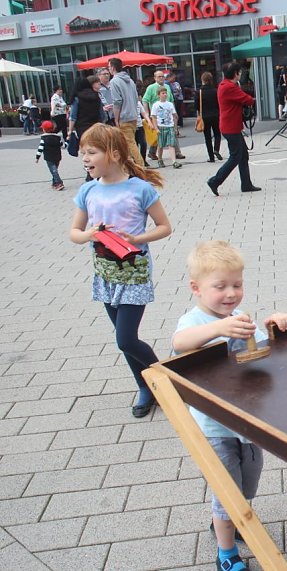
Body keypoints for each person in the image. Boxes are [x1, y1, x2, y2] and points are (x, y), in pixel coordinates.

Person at [172, 240, 287, 571]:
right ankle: (227, 553)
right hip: (214, 427)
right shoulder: (194, 321)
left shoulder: (238, 316)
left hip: (247, 420)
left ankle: (229, 519)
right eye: (220, 286)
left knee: (249, 482)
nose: (231, 293)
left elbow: (262, 346)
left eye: (237, 285)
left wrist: (273, 325)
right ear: (196, 288)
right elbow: (179, 343)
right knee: (227, 494)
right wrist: (218, 328)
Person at [68, 123, 172, 419]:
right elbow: (74, 233)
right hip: (105, 274)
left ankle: (168, 379)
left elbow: (165, 227)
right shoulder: (88, 190)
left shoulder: (140, 189)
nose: (85, 159)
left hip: (134, 273)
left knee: (125, 339)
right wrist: (89, 234)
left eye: (91, 152)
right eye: (82, 153)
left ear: (113, 154)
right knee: (123, 339)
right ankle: (144, 387)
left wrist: (137, 238)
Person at [207, 61, 260, 197]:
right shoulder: (229, 87)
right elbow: (247, 99)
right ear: (235, 74)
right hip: (231, 127)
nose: (240, 74)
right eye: (239, 72)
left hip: (231, 126)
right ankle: (215, 181)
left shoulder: (225, 85)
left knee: (243, 156)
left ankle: (246, 184)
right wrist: (252, 99)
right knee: (236, 157)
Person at [108, 58, 145, 166]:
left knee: (130, 143)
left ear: (113, 68)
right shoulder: (130, 80)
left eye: (109, 67)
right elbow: (135, 98)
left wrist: (116, 118)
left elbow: (117, 101)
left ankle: (140, 167)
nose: (109, 69)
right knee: (127, 144)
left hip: (124, 116)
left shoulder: (114, 81)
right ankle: (130, 167)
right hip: (133, 115)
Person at [69, 76, 107, 181]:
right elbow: (102, 115)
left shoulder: (77, 98)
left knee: (87, 152)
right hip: (95, 127)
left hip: (82, 128)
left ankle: (90, 173)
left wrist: (70, 130)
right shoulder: (96, 96)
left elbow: (73, 116)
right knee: (96, 150)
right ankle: (98, 171)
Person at [142, 71, 185, 162]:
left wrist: (174, 112)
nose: (161, 78)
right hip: (157, 116)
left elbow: (171, 100)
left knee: (172, 132)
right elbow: (145, 100)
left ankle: (177, 152)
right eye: (159, 77)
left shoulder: (167, 87)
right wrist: (147, 114)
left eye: (162, 76)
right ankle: (153, 152)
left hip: (168, 115)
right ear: (155, 78)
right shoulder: (151, 88)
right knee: (158, 136)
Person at [149, 87, 182, 169]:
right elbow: (154, 117)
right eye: (163, 93)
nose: (165, 94)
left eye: (165, 93)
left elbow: (174, 116)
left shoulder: (170, 104)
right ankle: (160, 159)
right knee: (161, 145)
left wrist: (175, 127)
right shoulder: (156, 105)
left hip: (170, 126)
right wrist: (156, 128)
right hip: (161, 127)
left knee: (171, 144)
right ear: (158, 95)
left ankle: (174, 161)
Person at [197, 71, 222, 163]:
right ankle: (216, 149)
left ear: (202, 80)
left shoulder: (199, 92)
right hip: (216, 115)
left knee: (207, 137)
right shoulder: (216, 91)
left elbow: (196, 105)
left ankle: (211, 157)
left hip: (204, 117)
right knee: (217, 134)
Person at [36, 120, 66, 191]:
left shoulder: (44, 139)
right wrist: (67, 143)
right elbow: (63, 146)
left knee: (53, 170)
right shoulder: (57, 138)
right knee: (54, 170)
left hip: (49, 157)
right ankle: (54, 183)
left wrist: (37, 157)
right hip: (58, 157)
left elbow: (40, 148)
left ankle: (59, 183)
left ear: (44, 130)